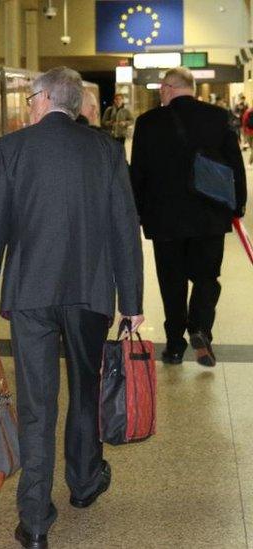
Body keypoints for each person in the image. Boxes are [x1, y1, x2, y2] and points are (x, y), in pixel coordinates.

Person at [0, 67, 144, 549]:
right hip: (91, 295)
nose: (27, 104)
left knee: (37, 405)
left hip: (29, 296)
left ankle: (34, 521)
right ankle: (85, 483)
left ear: (47, 98)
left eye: (30, 97)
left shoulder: (12, 149)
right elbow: (123, 231)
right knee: (85, 390)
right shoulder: (106, 151)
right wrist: (131, 303)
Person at [130, 67, 246, 367]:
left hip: (165, 218)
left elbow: (138, 173)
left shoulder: (148, 122)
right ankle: (200, 327)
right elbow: (235, 165)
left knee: (172, 282)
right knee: (207, 277)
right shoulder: (218, 117)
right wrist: (238, 205)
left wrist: (138, 212)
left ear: (169, 88)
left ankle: (174, 345)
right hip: (209, 215)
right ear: (191, 88)